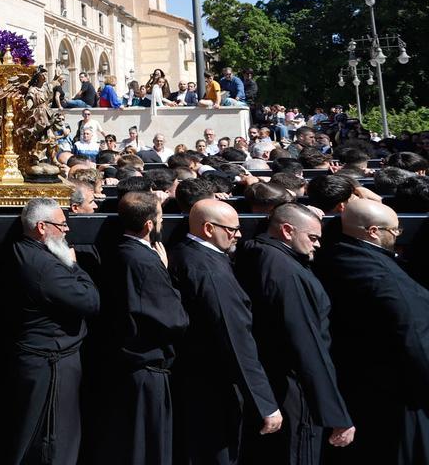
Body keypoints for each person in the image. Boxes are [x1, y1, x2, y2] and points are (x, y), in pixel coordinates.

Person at [234, 203, 354, 464]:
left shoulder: (257, 251)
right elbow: (308, 345)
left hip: (273, 381)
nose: (317, 245)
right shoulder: (287, 273)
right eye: (312, 238)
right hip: (294, 389)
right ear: (288, 231)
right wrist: (336, 415)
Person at [315, 200, 429, 463]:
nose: (398, 235)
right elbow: (414, 339)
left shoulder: (333, 255)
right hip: (399, 395)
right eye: (394, 231)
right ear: (373, 231)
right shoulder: (385, 279)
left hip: (356, 384)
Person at [170, 200, 282, 465]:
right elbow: (235, 337)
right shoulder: (209, 270)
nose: (238, 235)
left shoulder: (184, 251)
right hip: (212, 383)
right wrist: (265, 404)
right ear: (208, 228)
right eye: (232, 230)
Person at [8, 198, 100, 465]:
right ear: (41, 227)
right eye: (61, 225)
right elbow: (90, 301)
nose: (67, 230)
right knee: (53, 437)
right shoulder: (45, 266)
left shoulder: (22, 250)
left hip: (38, 356)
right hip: (51, 363)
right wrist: (74, 266)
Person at [101, 191, 187, 465]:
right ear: (150, 224)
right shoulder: (145, 260)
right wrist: (163, 270)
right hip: (146, 368)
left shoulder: (119, 250)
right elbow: (174, 319)